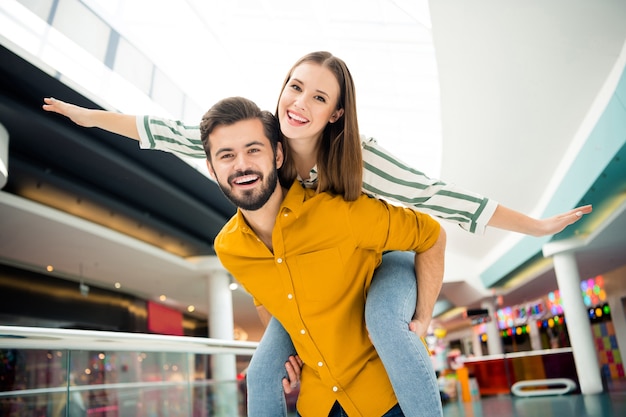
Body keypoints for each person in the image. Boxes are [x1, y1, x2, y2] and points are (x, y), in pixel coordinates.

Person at [42, 51, 591, 417]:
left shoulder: (360, 159)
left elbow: (441, 200)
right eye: (295, 87)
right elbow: (165, 133)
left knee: (383, 323)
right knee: (261, 372)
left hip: (384, 261)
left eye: (318, 98)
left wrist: (536, 226)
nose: (299, 104)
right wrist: (92, 119)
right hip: (317, 278)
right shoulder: (256, 140)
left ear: (335, 113)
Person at [201, 95, 446, 416]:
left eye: (253, 149)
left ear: (277, 154)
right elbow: (265, 300)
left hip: (387, 398)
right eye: (226, 155)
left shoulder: (337, 212)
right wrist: (288, 357)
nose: (241, 164)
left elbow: (431, 234)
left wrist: (423, 316)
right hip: (318, 404)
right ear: (211, 167)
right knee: (259, 373)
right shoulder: (228, 248)